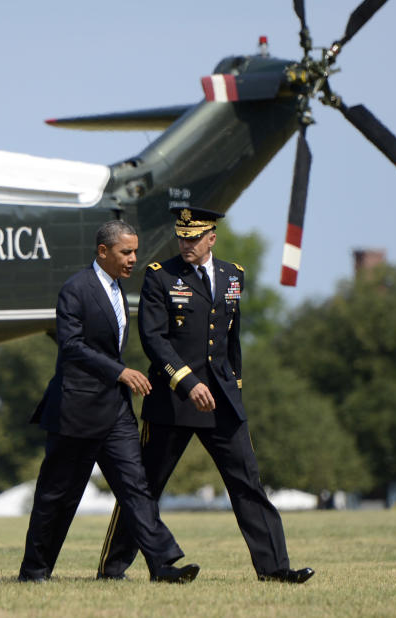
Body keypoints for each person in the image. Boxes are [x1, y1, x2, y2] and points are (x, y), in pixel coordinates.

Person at [96, 207, 314, 584]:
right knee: (144, 487)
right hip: (173, 401)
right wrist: (186, 382)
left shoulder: (233, 275)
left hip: (223, 402)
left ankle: (275, 569)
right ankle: (113, 569)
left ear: (211, 238)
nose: (186, 244)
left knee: (248, 485)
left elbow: (232, 340)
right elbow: (154, 339)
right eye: (182, 237)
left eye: (194, 238)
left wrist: (236, 387)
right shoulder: (160, 277)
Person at [18, 220, 200, 583]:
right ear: (103, 252)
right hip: (75, 411)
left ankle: (162, 565)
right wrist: (119, 372)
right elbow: (70, 346)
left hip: (115, 412)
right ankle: (35, 572)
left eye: (135, 251)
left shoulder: (119, 289)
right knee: (58, 497)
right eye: (126, 252)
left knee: (136, 488)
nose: (134, 259)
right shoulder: (76, 289)